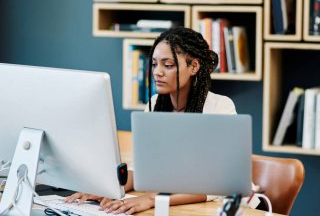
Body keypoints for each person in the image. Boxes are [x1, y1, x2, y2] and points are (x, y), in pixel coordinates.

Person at [65, 27, 238, 214]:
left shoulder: (221, 108)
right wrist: (109, 189)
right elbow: (141, 168)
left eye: (168, 65)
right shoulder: (155, 104)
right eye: (154, 64)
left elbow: (216, 185)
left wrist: (150, 199)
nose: (158, 72)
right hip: (175, 205)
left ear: (194, 66)